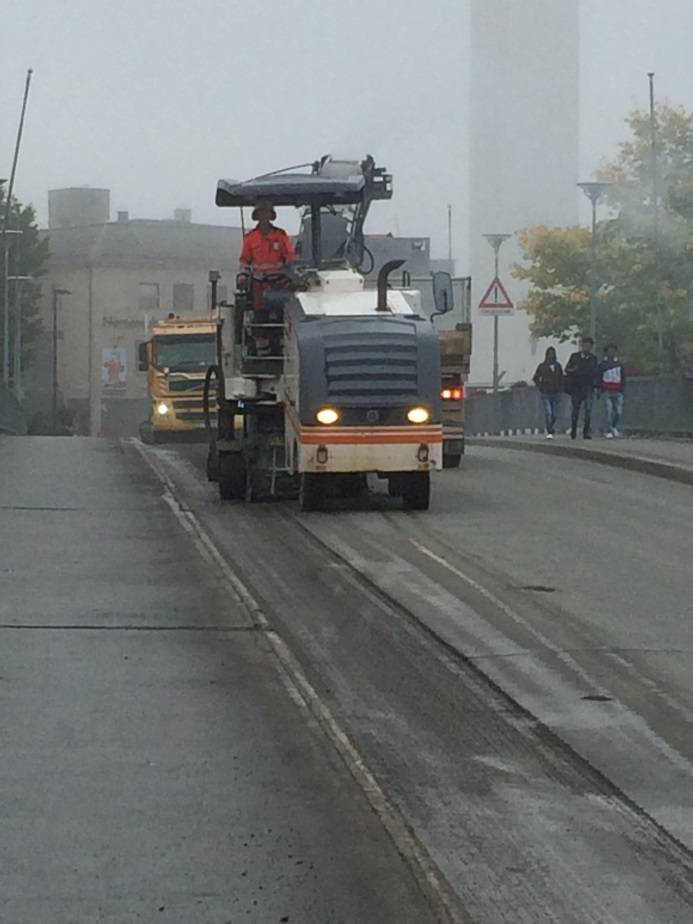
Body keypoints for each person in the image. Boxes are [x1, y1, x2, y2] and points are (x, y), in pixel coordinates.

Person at [238, 203, 296, 356]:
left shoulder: (281, 236)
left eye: (267, 214)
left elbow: (290, 259)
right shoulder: (250, 238)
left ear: (271, 216)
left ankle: (282, 349)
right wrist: (243, 276)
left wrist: (290, 275)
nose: (264, 217)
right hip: (259, 285)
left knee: (281, 316)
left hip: (280, 284)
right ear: (257, 216)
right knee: (260, 317)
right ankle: (262, 352)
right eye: (261, 214)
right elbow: (244, 261)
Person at [564, 336, 599, 439]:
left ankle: (586, 432)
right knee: (575, 410)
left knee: (588, 410)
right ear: (582, 346)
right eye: (585, 346)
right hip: (576, 387)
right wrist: (573, 370)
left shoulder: (593, 359)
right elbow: (567, 369)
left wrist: (597, 387)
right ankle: (573, 430)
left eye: (589, 346)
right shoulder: (574, 357)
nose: (587, 348)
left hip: (588, 387)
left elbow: (596, 373)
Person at [532, 346, 563, 439]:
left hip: (556, 392)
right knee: (548, 412)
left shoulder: (558, 366)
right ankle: (549, 429)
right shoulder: (542, 366)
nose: (551, 355)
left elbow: (561, 378)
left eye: (552, 354)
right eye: (549, 354)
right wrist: (540, 386)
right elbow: (535, 378)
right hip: (546, 392)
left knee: (555, 414)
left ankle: (551, 426)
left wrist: (561, 388)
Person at [596, 344, 626, 438]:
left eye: (613, 351)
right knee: (608, 411)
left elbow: (623, 377)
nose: (611, 353)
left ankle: (613, 426)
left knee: (618, 411)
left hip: (618, 391)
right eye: (609, 351)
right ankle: (608, 430)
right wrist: (599, 389)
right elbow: (598, 378)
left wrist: (622, 389)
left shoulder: (620, 365)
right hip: (607, 391)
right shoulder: (602, 365)